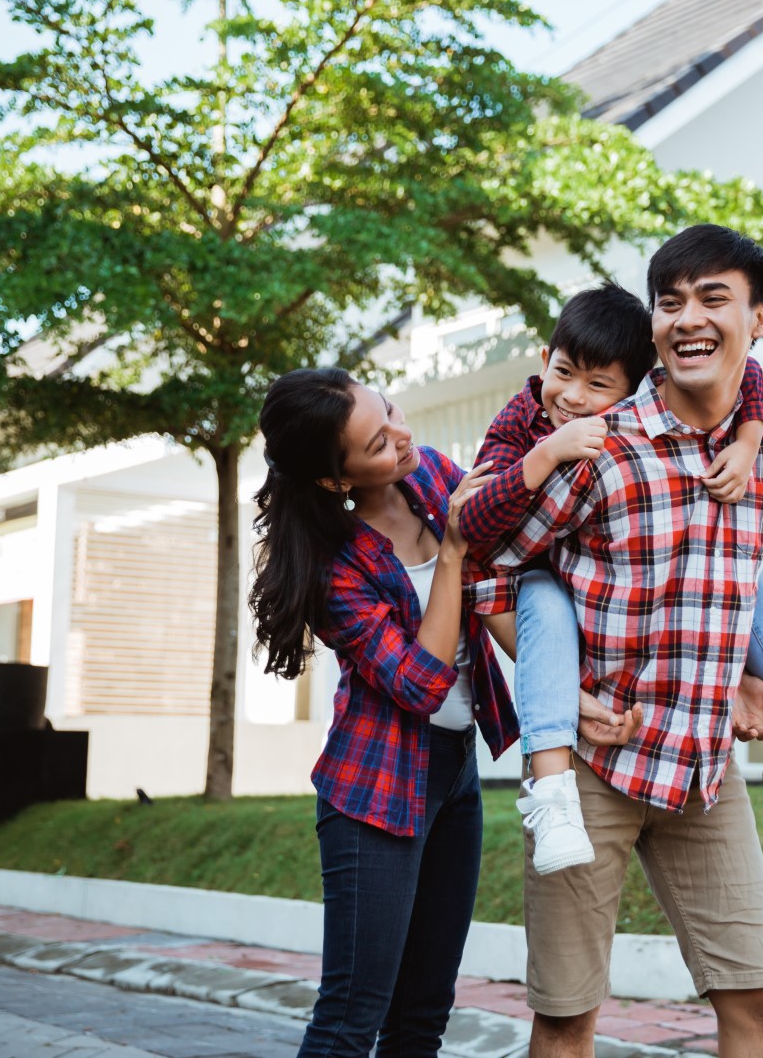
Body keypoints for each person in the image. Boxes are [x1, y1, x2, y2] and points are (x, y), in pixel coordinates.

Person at [473, 225, 763, 1056]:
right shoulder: (598, 443)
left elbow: (755, 565)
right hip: (591, 768)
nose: (690, 319)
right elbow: (490, 565)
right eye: (670, 302)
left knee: (756, 1005)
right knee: (567, 1017)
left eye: (714, 298)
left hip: (705, 765)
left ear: (760, 320)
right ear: (652, 326)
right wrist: (558, 694)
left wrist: (753, 673)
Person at [245, 368, 636, 1058]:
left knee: (425, 1012)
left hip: (454, 775)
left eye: (389, 410)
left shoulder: (429, 478)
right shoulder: (338, 569)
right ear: (336, 480)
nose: (401, 435)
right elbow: (423, 682)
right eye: (375, 442)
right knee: (350, 1015)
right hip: (375, 793)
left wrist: (564, 694)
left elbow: (496, 584)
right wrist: (453, 550)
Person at [460, 281, 763, 876]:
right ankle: (552, 792)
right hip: (537, 582)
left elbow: (751, 379)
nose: (574, 397)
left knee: (749, 562)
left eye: (599, 386)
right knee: (549, 608)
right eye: (564, 374)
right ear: (544, 362)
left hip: (675, 714)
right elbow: (474, 531)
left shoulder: (656, 429)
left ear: (635, 387)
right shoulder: (527, 419)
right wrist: (548, 452)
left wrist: (749, 435)